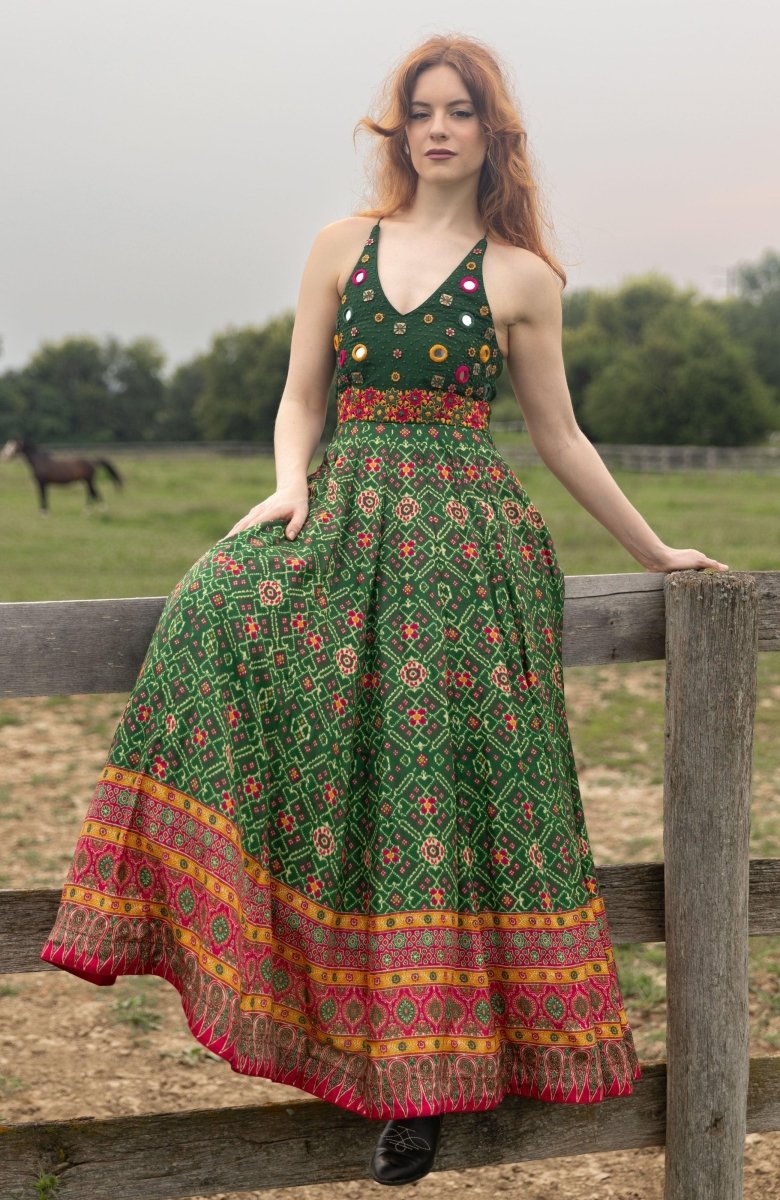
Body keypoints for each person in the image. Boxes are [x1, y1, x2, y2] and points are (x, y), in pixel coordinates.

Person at [41, 31, 729, 1190]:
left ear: (490, 130)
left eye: (461, 110)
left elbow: (559, 437)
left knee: (431, 810)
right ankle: (302, 1009)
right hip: (346, 518)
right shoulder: (339, 246)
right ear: (399, 129)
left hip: (465, 559)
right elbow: (301, 393)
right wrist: (289, 480)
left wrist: (657, 551)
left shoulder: (523, 276)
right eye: (422, 110)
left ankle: (429, 1092)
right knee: (218, 629)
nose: (440, 128)